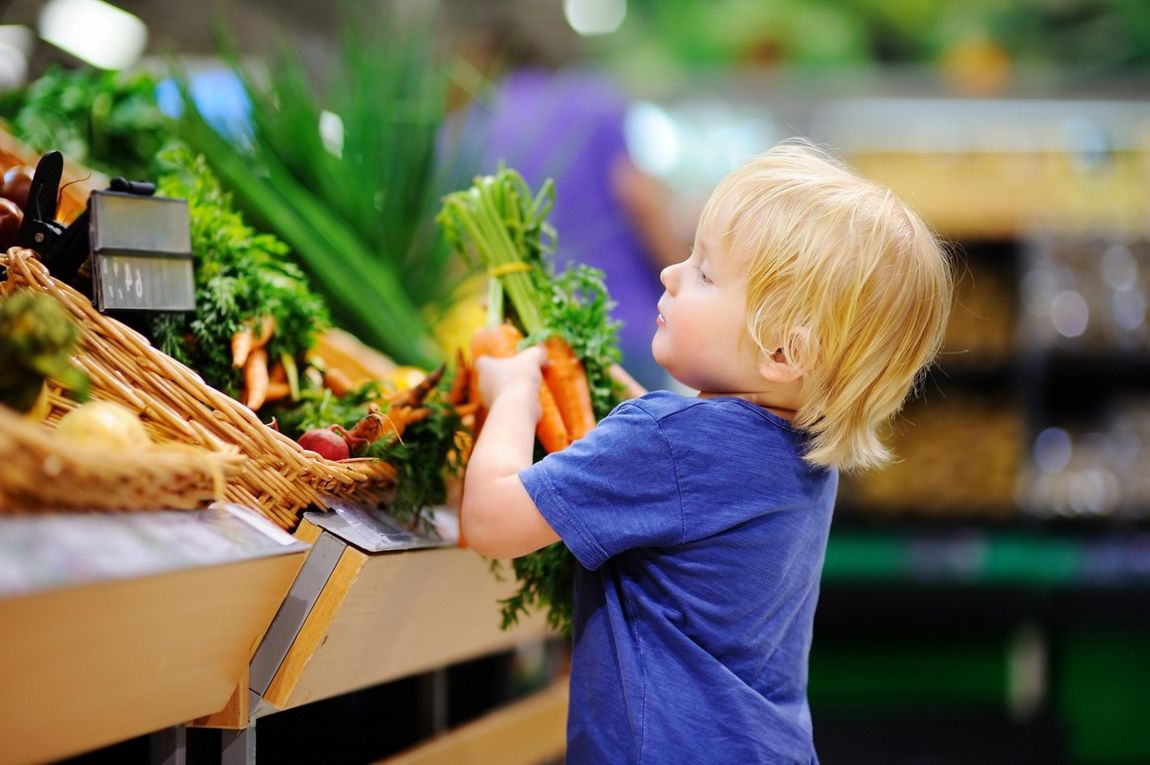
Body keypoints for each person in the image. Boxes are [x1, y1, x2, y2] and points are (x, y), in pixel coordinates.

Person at [461, 140, 953, 763]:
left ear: (782, 352)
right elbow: (690, 482)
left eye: (703, 272)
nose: (669, 273)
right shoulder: (799, 454)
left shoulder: (669, 442)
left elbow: (490, 520)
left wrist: (513, 393)